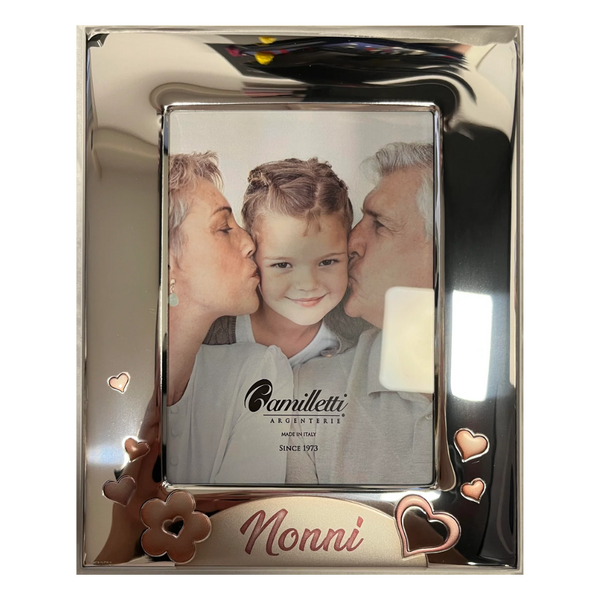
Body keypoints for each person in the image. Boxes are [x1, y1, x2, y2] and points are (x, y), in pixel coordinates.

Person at [287, 142, 435, 485]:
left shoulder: (516, 396)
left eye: (379, 225)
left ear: (445, 252)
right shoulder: (306, 393)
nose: (349, 243)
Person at [165, 152, 293, 485]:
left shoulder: (257, 376)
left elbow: (245, 516)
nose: (250, 243)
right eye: (224, 228)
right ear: (165, 263)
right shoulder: (89, 393)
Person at [205, 158, 366, 364]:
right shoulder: (211, 333)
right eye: (282, 265)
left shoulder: (361, 334)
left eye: (327, 262)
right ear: (252, 256)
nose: (308, 284)